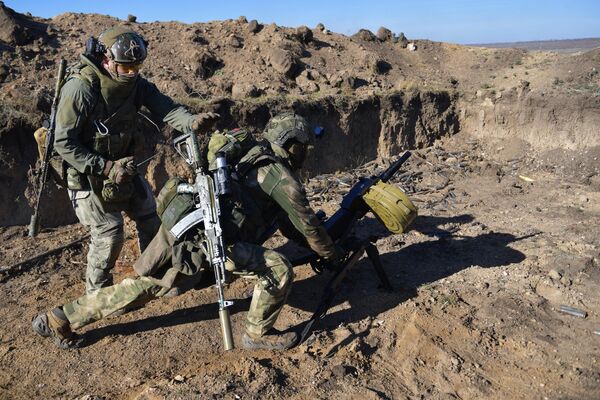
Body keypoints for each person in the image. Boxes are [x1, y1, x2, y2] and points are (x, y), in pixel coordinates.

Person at [33, 112, 341, 350]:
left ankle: (61, 317)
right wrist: (331, 253)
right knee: (277, 268)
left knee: (143, 286)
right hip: (208, 242)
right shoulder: (280, 176)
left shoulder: (250, 152)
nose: (306, 151)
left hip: (187, 224)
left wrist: (313, 244)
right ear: (293, 145)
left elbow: (287, 224)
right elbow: (308, 226)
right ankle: (257, 334)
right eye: (304, 145)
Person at [53, 26, 219, 294]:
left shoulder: (136, 85)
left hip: (122, 168)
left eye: (137, 67)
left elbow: (166, 108)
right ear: (106, 59)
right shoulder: (81, 88)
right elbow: (63, 142)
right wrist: (105, 167)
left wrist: (191, 122)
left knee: (150, 217)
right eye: (125, 68)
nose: (132, 73)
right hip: (86, 176)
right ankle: (97, 297)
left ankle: (155, 275)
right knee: (109, 232)